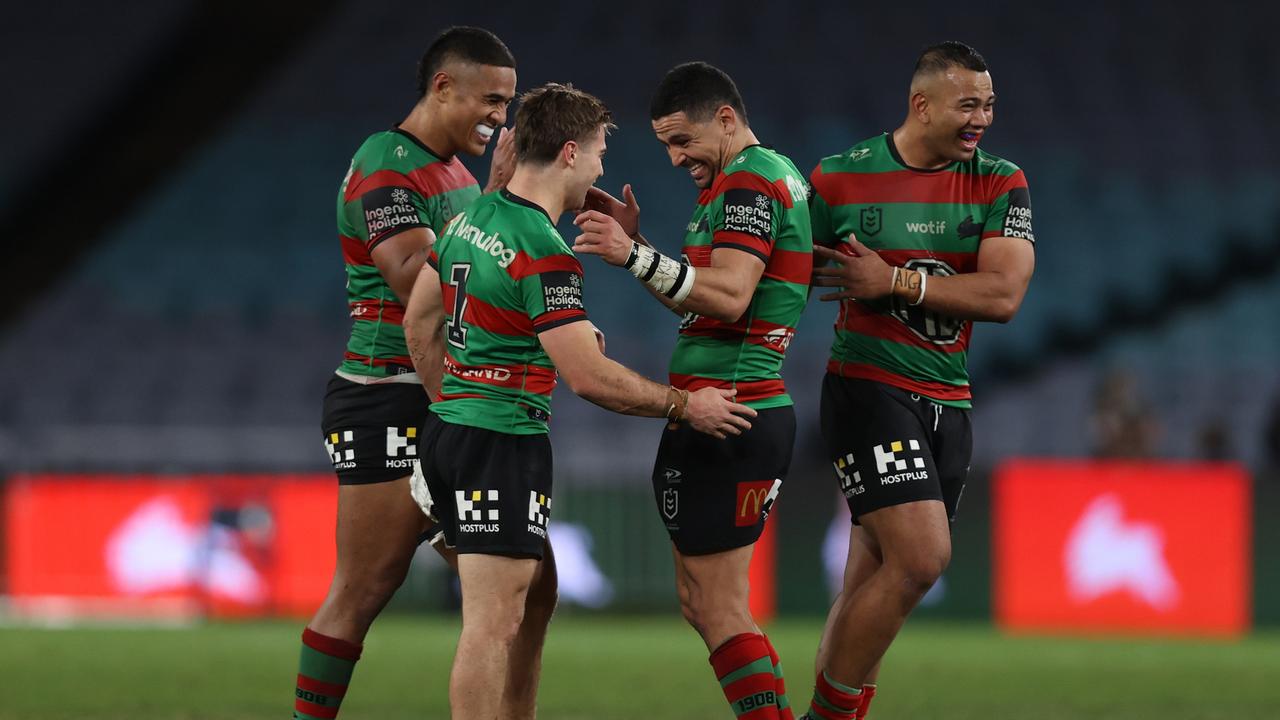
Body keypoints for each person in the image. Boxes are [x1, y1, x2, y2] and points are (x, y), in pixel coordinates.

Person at [402, 81, 756, 720]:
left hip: (454, 433)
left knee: (537, 598)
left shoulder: (469, 219)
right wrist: (685, 405)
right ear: (569, 153)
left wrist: (450, 404)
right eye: (597, 154)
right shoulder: (546, 254)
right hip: (499, 443)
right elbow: (589, 378)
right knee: (494, 620)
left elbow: (417, 325)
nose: (600, 167)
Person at [802, 41, 1035, 719]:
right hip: (867, 387)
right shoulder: (840, 179)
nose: (983, 119)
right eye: (969, 104)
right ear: (921, 104)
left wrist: (894, 280)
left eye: (990, 105)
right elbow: (780, 271)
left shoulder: (1001, 180)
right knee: (924, 560)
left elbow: (1003, 296)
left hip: (949, 401)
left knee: (870, 581)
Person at [573, 61, 812, 720]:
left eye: (683, 141)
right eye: (665, 146)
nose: (675, 158)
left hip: (731, 410)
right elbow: (702, 307)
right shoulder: (751, 182)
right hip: (726, 406)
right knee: (703, 602)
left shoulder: (750, 185)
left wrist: (631, 255)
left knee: (718, 604)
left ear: (727, 119)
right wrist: (642, 245)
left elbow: (731, 297)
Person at [294, 27, 520, 720]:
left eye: (508, 105)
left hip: (448, 396)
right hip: (385, 396)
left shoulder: (454, 174)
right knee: (366, 587)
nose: (500, 119)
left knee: (521, 586)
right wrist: (496, 203)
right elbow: (405, 277)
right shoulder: (388, 164)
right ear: (442, 87)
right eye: (490, 100)